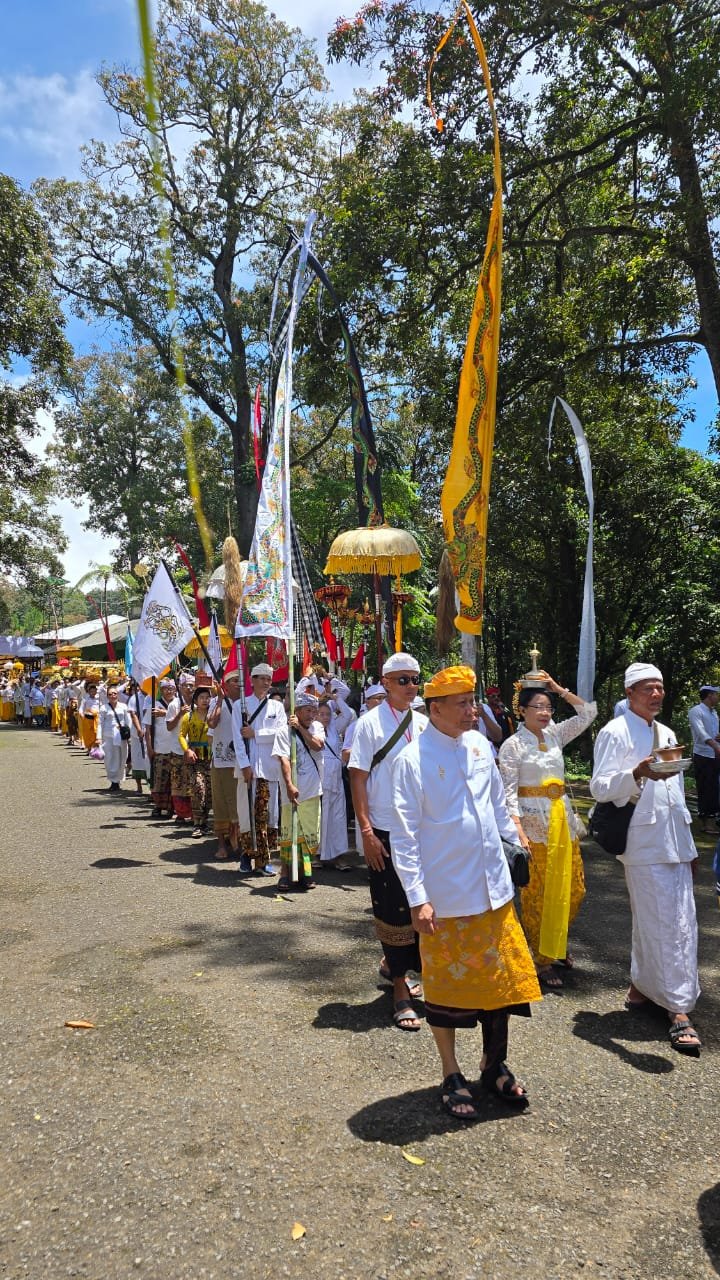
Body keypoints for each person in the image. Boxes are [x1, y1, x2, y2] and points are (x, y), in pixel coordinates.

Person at [390, 665, 541, 1117]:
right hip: (447, 897)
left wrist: (514, 838)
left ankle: (494, 1066)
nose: (472, 711)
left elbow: (496, 806)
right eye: (463, 703)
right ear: (435, 710)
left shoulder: (479, 745)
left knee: (502, 987)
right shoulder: (410, 761)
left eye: (472, 702)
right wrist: (418, 898)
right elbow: (405, 836)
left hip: (494, 890)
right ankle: (451, 1072)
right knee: (447, 994)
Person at [590, 662, 702, 1055]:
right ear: (630, 693)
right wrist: (636, 773)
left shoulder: (667, 731)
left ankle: (641, 985)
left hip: (674, 837)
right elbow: (600, 787)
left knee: (674, 916)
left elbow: (673, 792)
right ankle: (678, 1008)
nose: (656, 694)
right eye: (647, 688)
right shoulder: (614, 731)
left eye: (660, 688)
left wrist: (688, 845)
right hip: (643, 841)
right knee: (666, 922)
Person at [497, 671, 596, 988]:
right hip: (532, 824)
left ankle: (556, 941)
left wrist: (558, 688)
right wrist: (517, 832)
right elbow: (508, 792)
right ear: (522, 710)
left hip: (562, 821)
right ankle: (541, 958)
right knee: (538, 894)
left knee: (573, 888)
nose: (544, 712)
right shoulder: (513, 746)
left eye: (548, 707)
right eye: (538, 706)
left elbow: (589, 713)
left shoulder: (555, 735)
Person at [349, 652, 427, 1031]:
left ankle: (402, 966)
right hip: (384, 828)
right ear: (385, 683)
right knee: (394, 909)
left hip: (424, 831)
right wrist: (365, 831)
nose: (411, 686)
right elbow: (358, 778)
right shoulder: (369, 724)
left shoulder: (428, 724)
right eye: (403, 680)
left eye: (415, 679)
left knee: (424, 905)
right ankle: (400, 987)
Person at [234, 663, 286, 875]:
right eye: (261, 678)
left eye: (268, 679)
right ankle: (246, 856)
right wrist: (244, 765)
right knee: (247, 814)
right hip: (248, 769)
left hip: (269, 768)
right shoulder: (240, 705)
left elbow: (281, 734)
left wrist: (256, 734)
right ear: (252, 680)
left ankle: (264, 861)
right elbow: (237, 738)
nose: (265, 682)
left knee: (267, 815)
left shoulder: (277, 707)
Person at [272, 691, 325, 891]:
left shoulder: (317, 727)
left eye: (314, 710)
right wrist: (289, 784)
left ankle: (307, 873)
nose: (312, 714)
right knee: (289, 834)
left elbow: (318, 745)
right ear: (297, 710)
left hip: (311, 790)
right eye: (308, 710)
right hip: (290, 792)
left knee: (310, 834)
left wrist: (301, 730)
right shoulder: (283, 732)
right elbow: (284, 759)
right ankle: (285, 874)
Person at [207, 672, 251, 862]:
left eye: (241, 681)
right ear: (226, 684)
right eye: (234, 681)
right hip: (221, 760)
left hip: (242, 761)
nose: (239, 684)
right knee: (221, 804)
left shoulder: (246, 703)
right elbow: (211, 723)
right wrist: (219, 700)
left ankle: (241, 842)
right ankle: (222, 844)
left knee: (240, 804)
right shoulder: (216, 702)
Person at [316, 702, 350, 869]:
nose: (325, 717)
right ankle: (317, 853)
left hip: (336, 778)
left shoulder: (335, 728)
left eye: (328, 714)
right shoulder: (312, 729)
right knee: (321, 817)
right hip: (320, 778)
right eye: (321, 714)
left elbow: (348, 714)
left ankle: (338, 855)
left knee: (337, 817)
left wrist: (334, 697)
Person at [178, 686, 213, 837]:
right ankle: (197, 824)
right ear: (196, 700)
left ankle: (205, 822)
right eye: (202, 697)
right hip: (195, 759)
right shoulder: (188, 717)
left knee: (210, 792)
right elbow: (181, 735)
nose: (205, 700)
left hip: (211, 759)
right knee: (199, 788)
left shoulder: (213, 715)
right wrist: (187, 749)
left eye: (207, 697)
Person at [688, 684, 720, 835]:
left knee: (714, 788)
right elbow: (701, 732)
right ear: (709, 695)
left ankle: (713, 821)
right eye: (716, 694)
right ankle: (705, 823)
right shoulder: (696, 711)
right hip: (703, 754)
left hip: (715, 755)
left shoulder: (714, 713)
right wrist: (714, 745)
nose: (717, 697)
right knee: (705, 788)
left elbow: (714, 732)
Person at [143, 677, 176, 818]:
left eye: (171, 688)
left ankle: (171, 807)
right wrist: (149, 748)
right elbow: (148, 729)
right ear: (161, 690)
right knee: (159, 779)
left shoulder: (178, 704)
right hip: (160, 748)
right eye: (166, 688)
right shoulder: (154, 705)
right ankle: (158, 806)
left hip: (175, 748)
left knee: (173, 781)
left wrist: (165, 714)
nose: (169, 691)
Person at [100, 686, 133, 792]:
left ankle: (118, 780)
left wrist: (130, 734)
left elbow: (128, 721)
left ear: (117, 695)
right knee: (109, 758)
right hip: (108, 736)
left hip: (121, 736)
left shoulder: (123, 706)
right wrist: (98, 738)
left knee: (122, 757)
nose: (112, 696)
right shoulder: (104, 708)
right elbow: (100, 724)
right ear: (107, 696)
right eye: (110, 694)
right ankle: (113, 780)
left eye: (114, 693)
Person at [126, 679, 150, 794]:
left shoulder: (152, 697)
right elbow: (133, 714)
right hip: (137, 733)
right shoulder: (134, 698)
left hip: (151, 733)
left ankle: (152, 789)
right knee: (137, 760)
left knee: (149, 761)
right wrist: (139, 729)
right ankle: (139, 786)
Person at [79, 681, 101, 754]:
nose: (93, 693)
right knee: (88, 734)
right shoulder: (85, 698)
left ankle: (95, 749)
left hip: (96, 718)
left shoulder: (99, 699)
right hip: (87, 718)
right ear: (89, 691)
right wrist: (82, 714)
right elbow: (81, 708)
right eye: (91, 691)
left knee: (96, 734)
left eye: (94, 691)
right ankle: (89, 748)